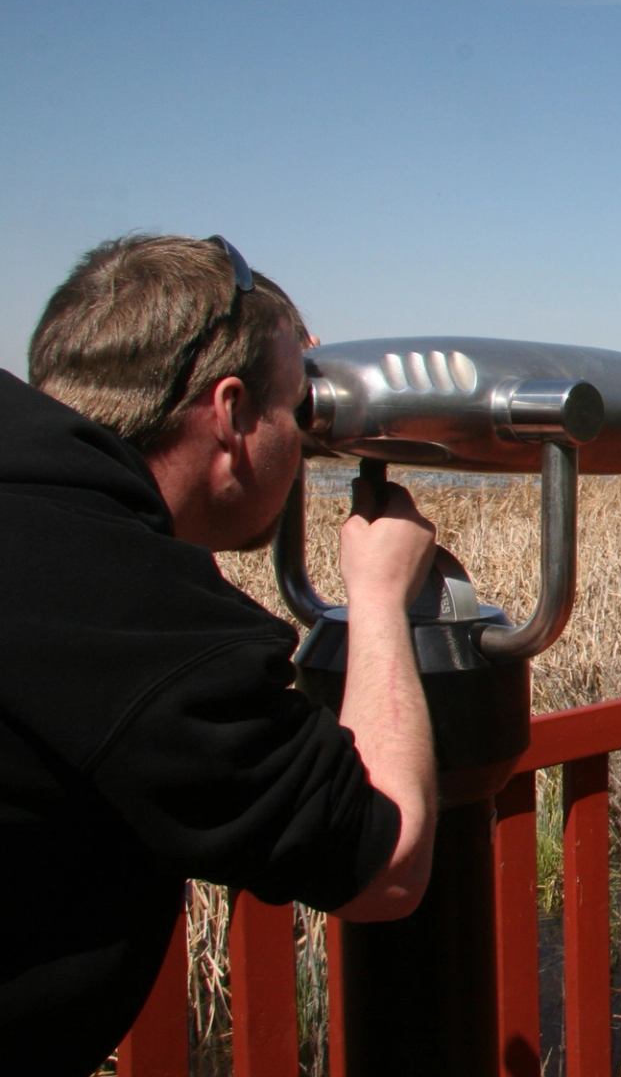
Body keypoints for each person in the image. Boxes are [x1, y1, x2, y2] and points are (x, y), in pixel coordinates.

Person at [0, 234, 439, 1074]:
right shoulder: (126, 619)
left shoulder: (44, 520)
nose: (306, 441)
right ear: (232, 415)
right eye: (297, 409)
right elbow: (385, 861)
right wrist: (379, 601)